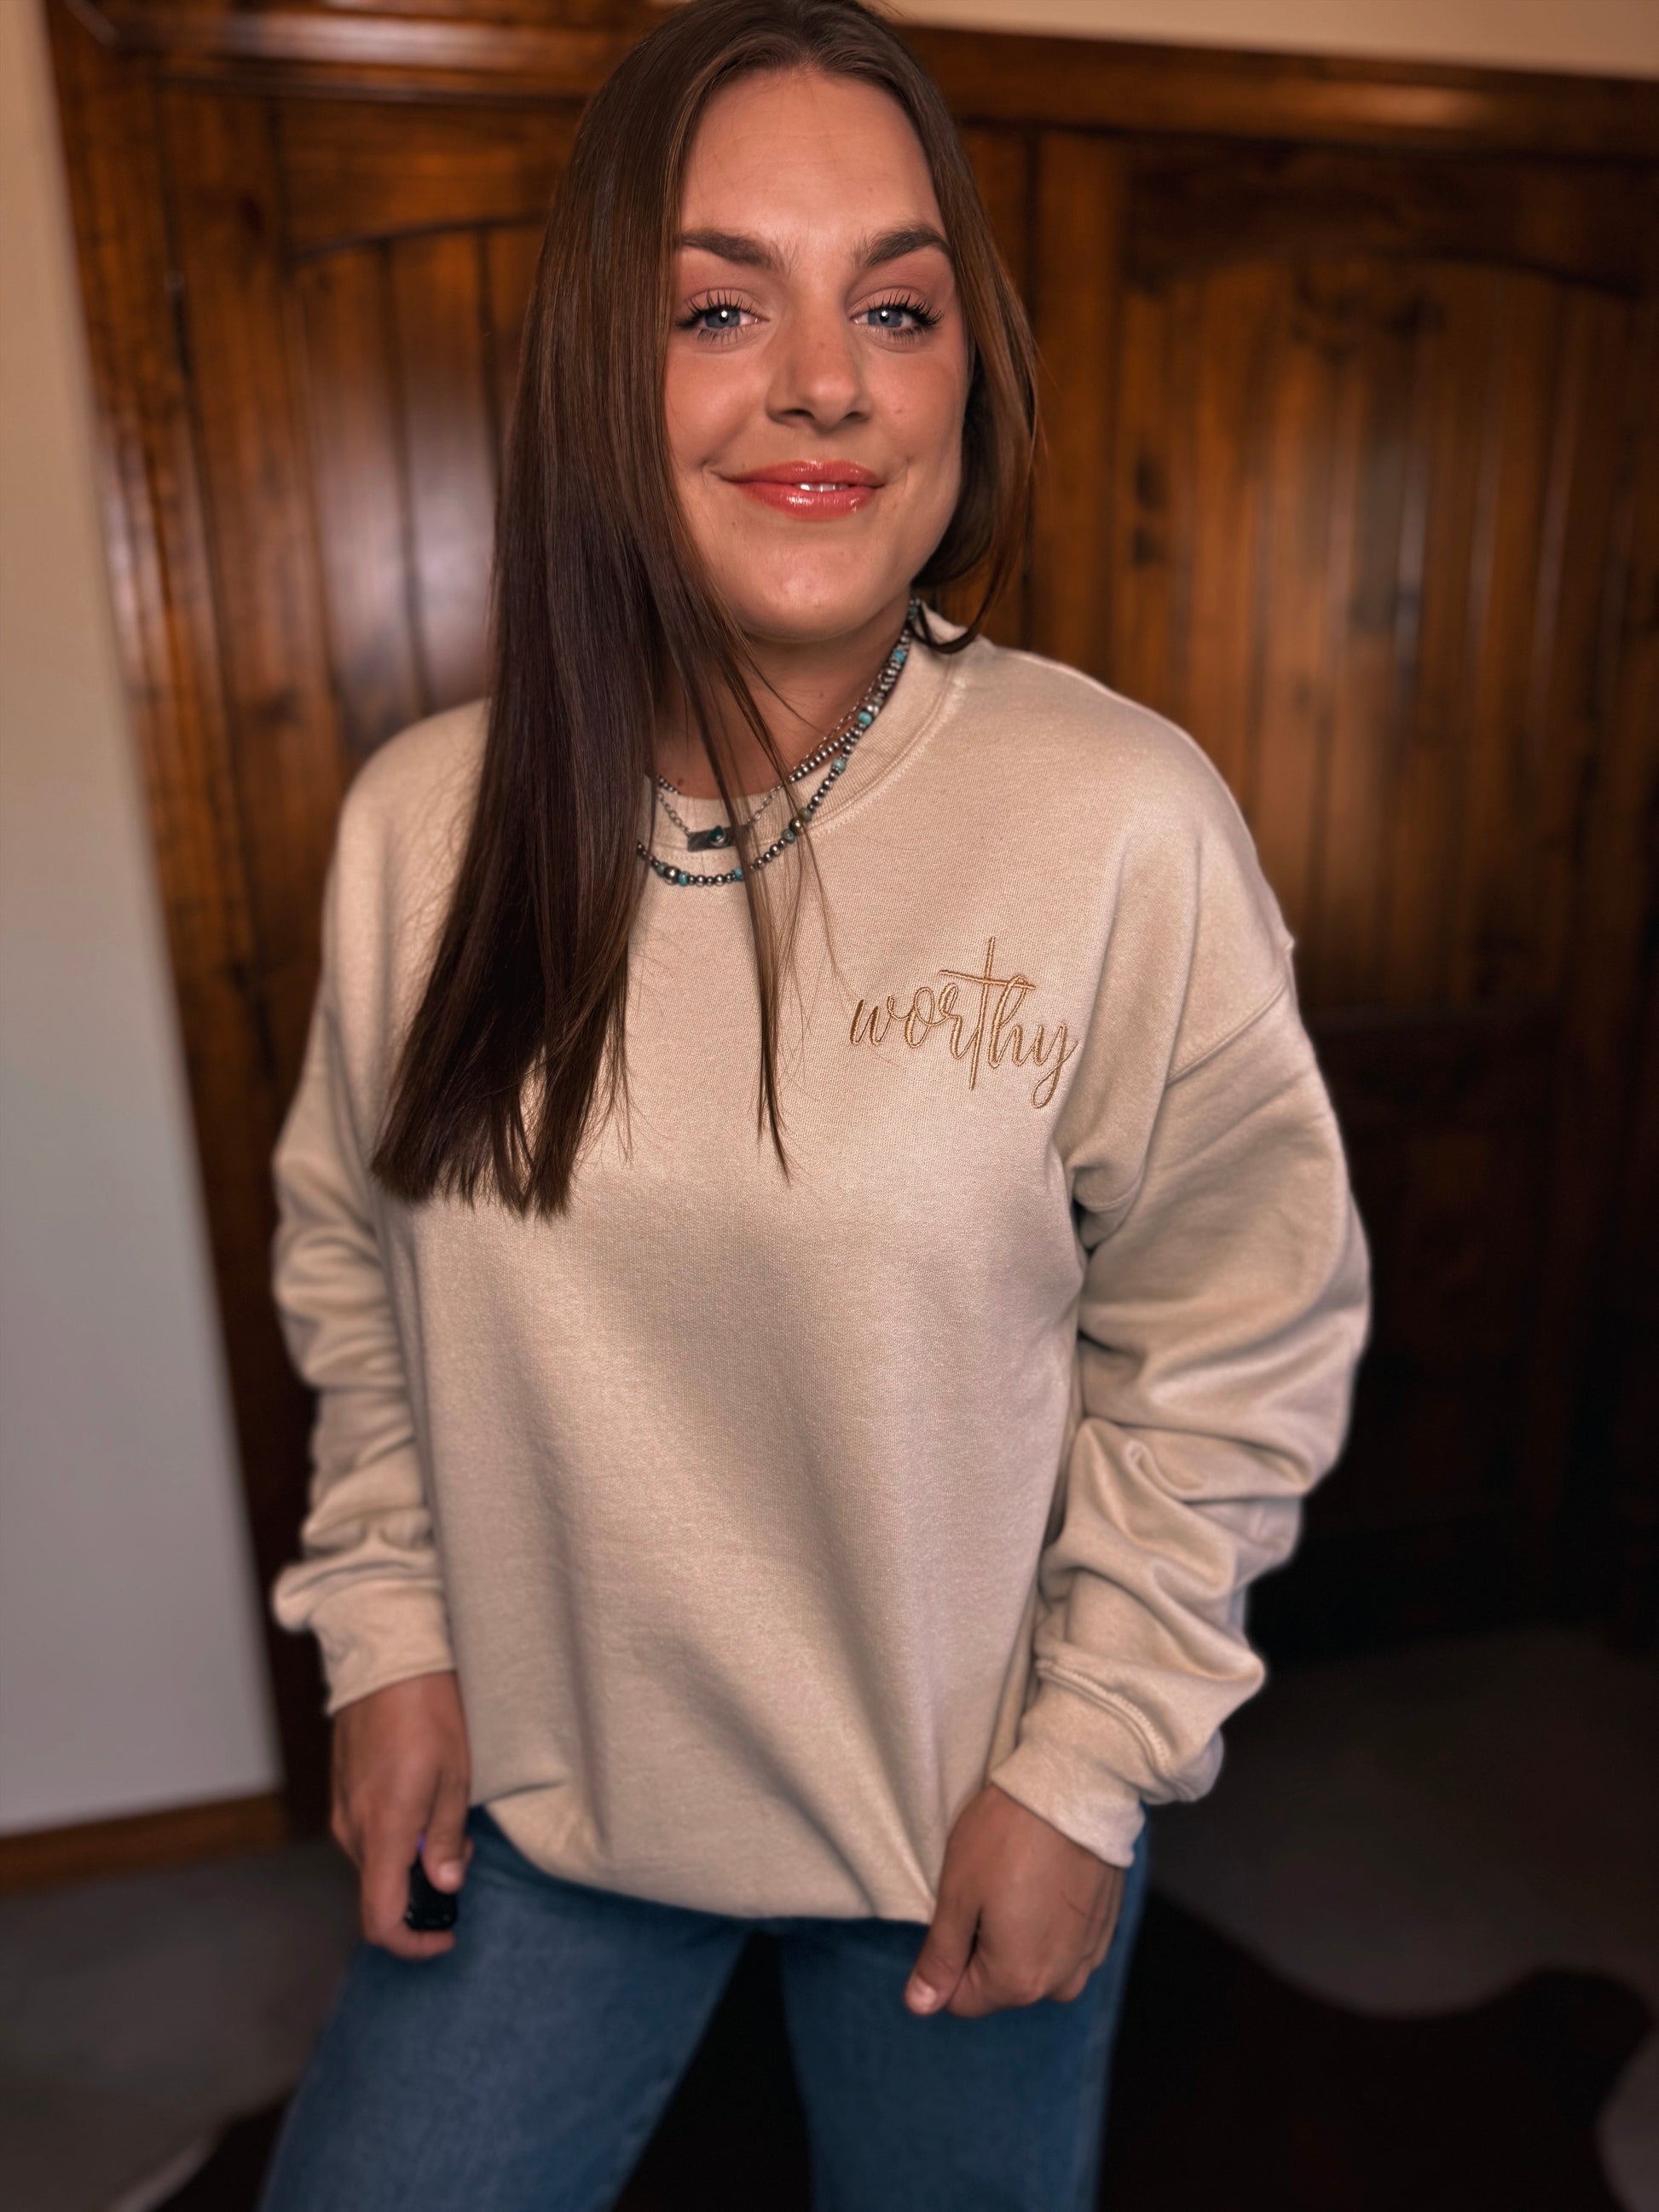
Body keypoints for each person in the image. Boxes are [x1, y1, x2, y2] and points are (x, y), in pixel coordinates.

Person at [257, 3, 1371, 2206]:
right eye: (714, 306)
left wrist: (1086, 1770)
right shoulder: (420, 830)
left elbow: (1235, 1334)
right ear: (602, 368)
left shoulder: (1116, 820)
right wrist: (385, 1637)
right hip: (546, 1803)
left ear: (967, 375)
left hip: (957, 1818)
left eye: (894, 305)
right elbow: (356, 1270)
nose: (823, 383)